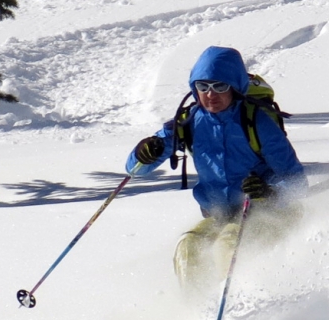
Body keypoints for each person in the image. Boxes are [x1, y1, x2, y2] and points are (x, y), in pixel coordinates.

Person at [126, 46, 307, 295]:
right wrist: (144, 152)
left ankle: (244, 312)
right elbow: (136, 170)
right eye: (203, 86)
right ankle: (198, 318)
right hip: (221, 215)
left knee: (229, 246)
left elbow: (297, 182)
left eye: (220, 86)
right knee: (188, 247)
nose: (211, 94)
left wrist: (270, 192)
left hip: (267, 214)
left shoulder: (257, 123)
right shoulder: (187, 122)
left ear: (235, 87)